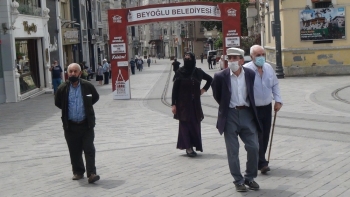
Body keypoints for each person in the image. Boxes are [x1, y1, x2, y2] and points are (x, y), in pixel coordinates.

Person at [211, 47, 262, 192]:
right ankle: (238, 180)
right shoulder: (220, 76)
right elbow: (217, 95)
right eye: (230, 58)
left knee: (253, 147)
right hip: (230, 116)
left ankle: (250, 177)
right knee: (233, 151)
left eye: (235, 58)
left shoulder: (250, 74)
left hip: (246, 114)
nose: (232, 61)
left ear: (241, 60)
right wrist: (227, 107)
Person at [54, 63, 100, 184]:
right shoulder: (63, 88)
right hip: (71, 126)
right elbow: (58, 102)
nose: (73, 73)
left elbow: (94, 98)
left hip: (86, 124)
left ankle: (92, 173)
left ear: (80, 73)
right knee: (74, 150)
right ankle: (78, 172)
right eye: (70, 71)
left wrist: (87, 105)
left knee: (89, 149)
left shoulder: (87, 86)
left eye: (75, 71)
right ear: (67, 73)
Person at [243, 45, 282, 174]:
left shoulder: (268, 68)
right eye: (258, 55)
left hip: (266, 107)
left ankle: (261, 160)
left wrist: (278, 100)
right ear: (252, 56)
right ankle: (261, 162)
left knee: (265, 134)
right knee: (256, 136)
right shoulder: (246, 70)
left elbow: (275, 84)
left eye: (263, 55)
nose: (261, 57)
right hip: (252, 108)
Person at [171, 52, 213, 157]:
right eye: (185, 58)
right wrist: (173, 104)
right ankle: (188, 147)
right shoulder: (179, 72)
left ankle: (194, 145)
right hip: (182, 104)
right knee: (185, 125)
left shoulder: (198, 72)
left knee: (195, 124)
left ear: (193, 59)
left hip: (195, 104)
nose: (187, 60)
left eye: (189, 58)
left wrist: (203, 90)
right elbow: (174, 90)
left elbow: (210, 79)